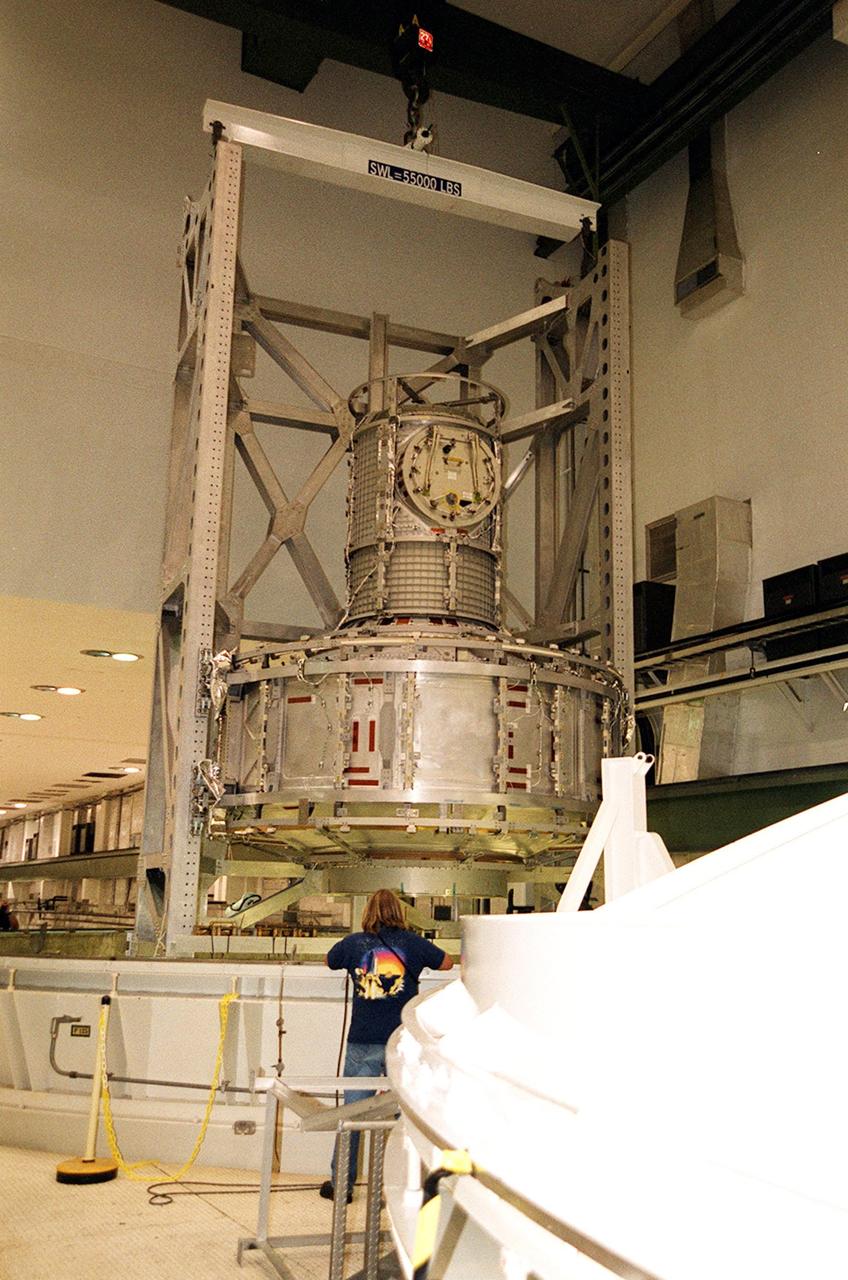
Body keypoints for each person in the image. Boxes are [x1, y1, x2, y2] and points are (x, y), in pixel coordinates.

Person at [321, 888, 453, 1201]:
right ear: (400, 912)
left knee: (351, 1115)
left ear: (367, 913)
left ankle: (341, 1186)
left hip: (363, 1040)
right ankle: (404, 1186)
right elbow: (447, 963)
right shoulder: (412, 942)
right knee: (405, 1116)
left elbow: (329, 960)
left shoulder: (354, 943)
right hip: (402, 1043)